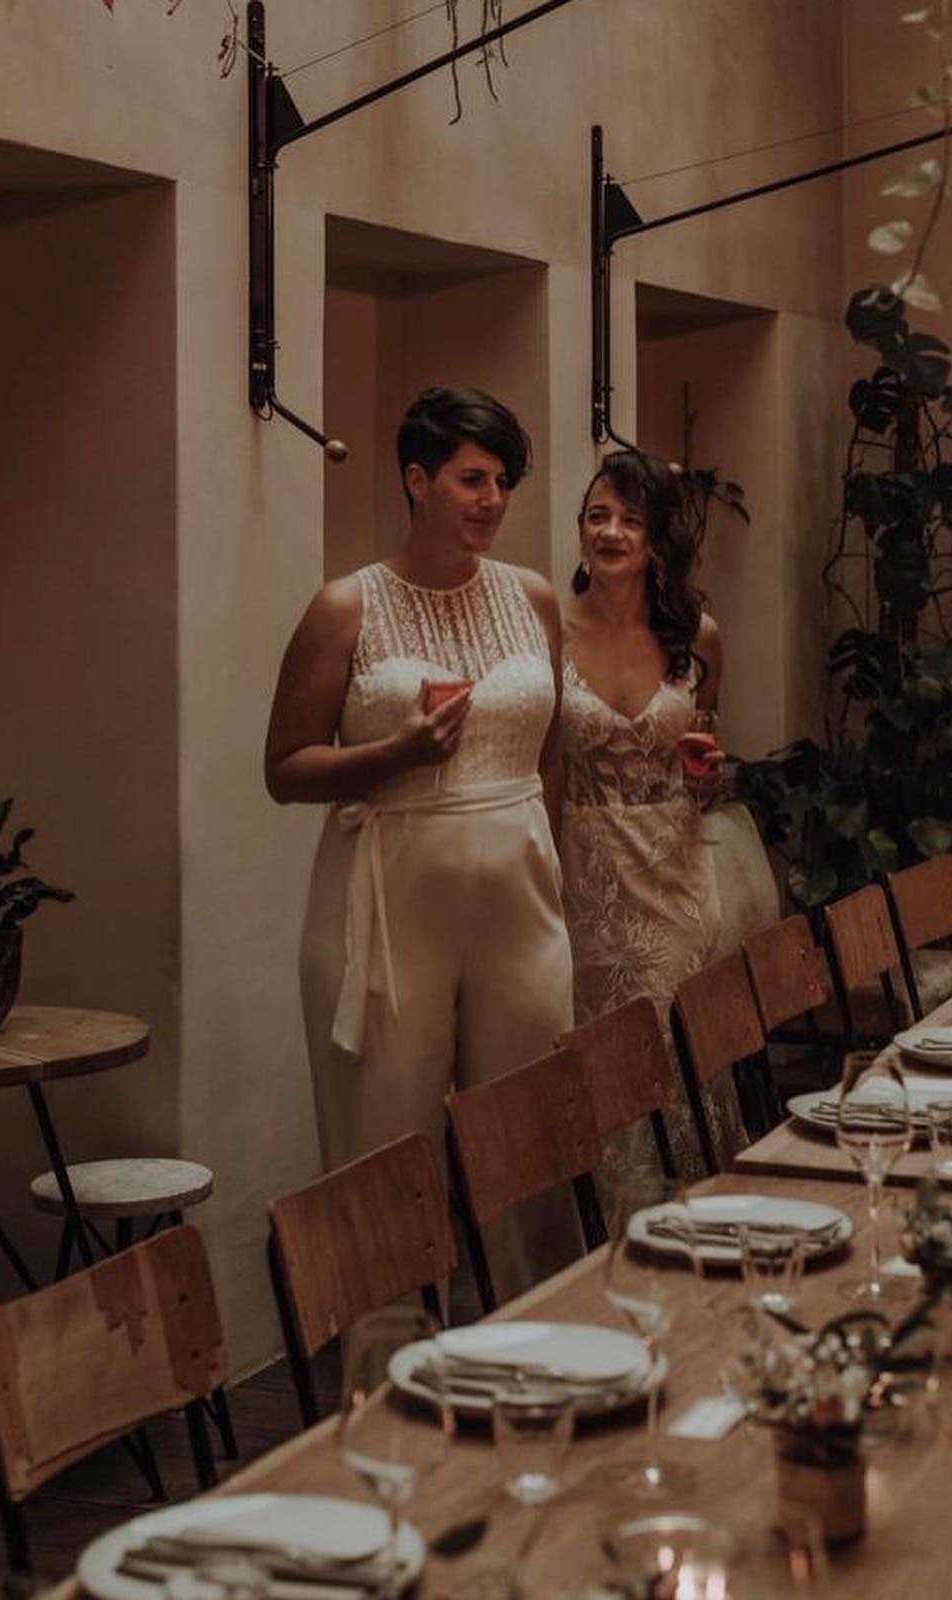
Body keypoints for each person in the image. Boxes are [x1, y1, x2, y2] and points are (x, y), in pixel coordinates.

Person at [265, 386, 577, 1297]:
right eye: (472, 479)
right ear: (416, 480)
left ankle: (538, 1338)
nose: (492, 499)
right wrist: (393, 755)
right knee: (386, 1150)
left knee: (529, 1131)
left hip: (520, 900)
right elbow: (283, 768)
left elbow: (550, 751)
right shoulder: (345, 606)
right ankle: (386, 1352)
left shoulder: (533, 599)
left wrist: (544, 862)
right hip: (387, 909)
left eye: (503, 482)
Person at [559, 448, 740, 1183]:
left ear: (659, 536)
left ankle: (690, 1204)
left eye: (630, 520)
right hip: (583, 872)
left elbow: (707, 749)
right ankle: (605, 1222)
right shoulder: (550, 629)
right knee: (597, 1052)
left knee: (673, 1043)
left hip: (674, 869)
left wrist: (708, 776)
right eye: (597, 516)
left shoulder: (698, 636)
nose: (610, 533)